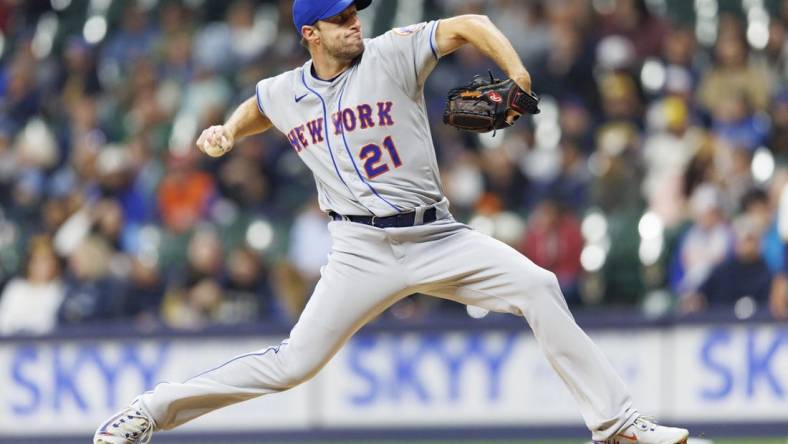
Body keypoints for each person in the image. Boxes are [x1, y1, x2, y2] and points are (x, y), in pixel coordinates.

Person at [94, 1, 690, 443]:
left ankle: (618, 427)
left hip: (437, 236)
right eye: (340, 19)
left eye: (356, 13)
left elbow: (471, 24)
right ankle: (151, 412)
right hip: (359, 251)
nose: (355, 23)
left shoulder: (391, 51)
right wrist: (227, 129)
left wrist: (520, 75)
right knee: (292, 365)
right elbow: (259, 105)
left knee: (538, 286)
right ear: (311, 34)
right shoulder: (286, 91)